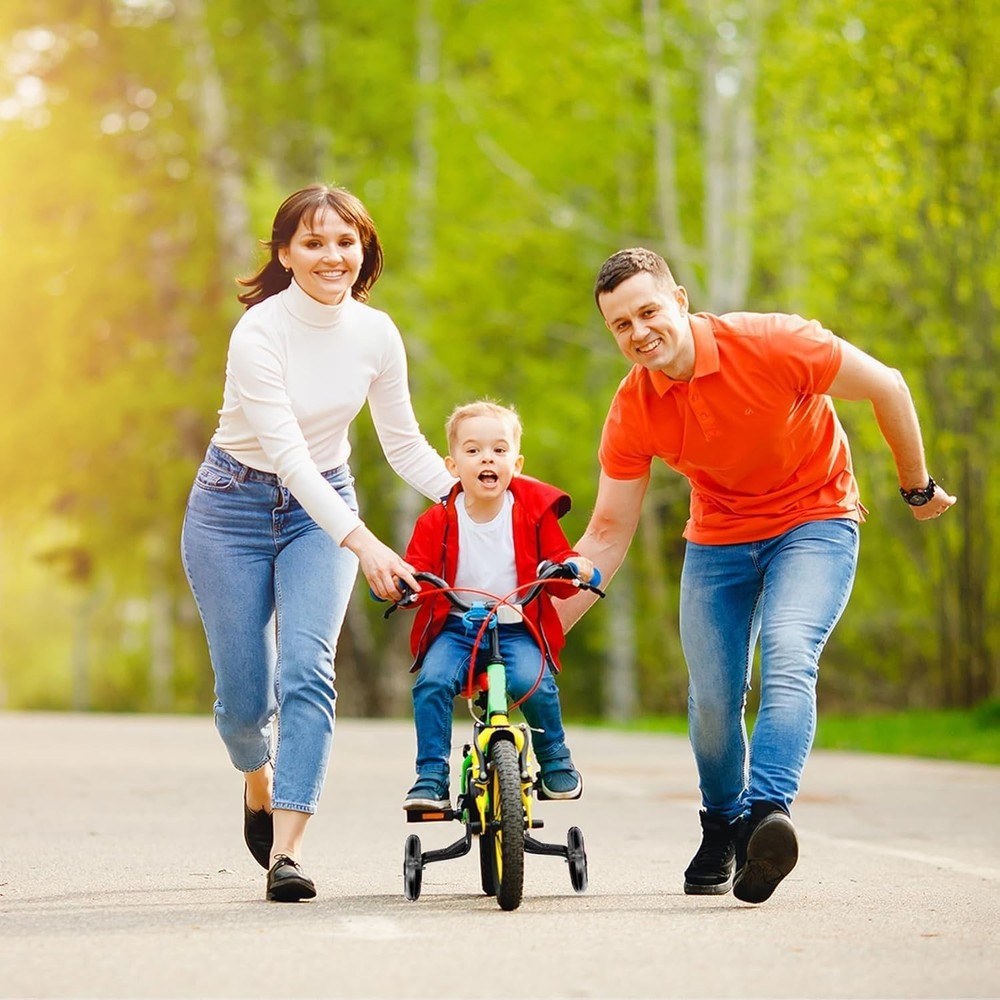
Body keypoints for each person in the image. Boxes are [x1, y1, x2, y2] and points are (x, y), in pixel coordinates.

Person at [556, 247, 956, 904]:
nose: (639, 333)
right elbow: (604, 535)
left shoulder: (773, 343)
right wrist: (546, 633)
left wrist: (915, 488)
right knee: (713, 698)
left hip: (815, 521)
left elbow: (888, 384)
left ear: (680, 301)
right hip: (719, 539)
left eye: (648, 312)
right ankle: (721, 825)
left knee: (789, 651)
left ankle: (765, 819)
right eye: (621, 326)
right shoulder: (635, 408)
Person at [180, 184, 455, 902]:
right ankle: (256, 776)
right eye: (313, 242)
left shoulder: (376, 333)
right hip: (230, 507)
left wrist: (480, 496)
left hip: (319, 514)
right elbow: (288, 454)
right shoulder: (259, 333)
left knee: (308, 670)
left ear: (363, 249)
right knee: (243, 702)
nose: (332, 255)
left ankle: (288, 853)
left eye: (344, 241)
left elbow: (403, 446)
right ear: (285, 253)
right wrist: (366, 544)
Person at [400, 400, 596, 810]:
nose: (487, 458)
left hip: (514, 624)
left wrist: (573, 567)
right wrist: (400, 585)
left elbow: (559, 563)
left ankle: (555, 759)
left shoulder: (534, 515)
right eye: (473, 451)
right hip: (458, 627)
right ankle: (431, 774)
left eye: (499, 450)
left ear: (516, 463)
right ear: (453, 466)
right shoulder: (436, 521)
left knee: (534, 682)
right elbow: (415, 571)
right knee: (433, 683)